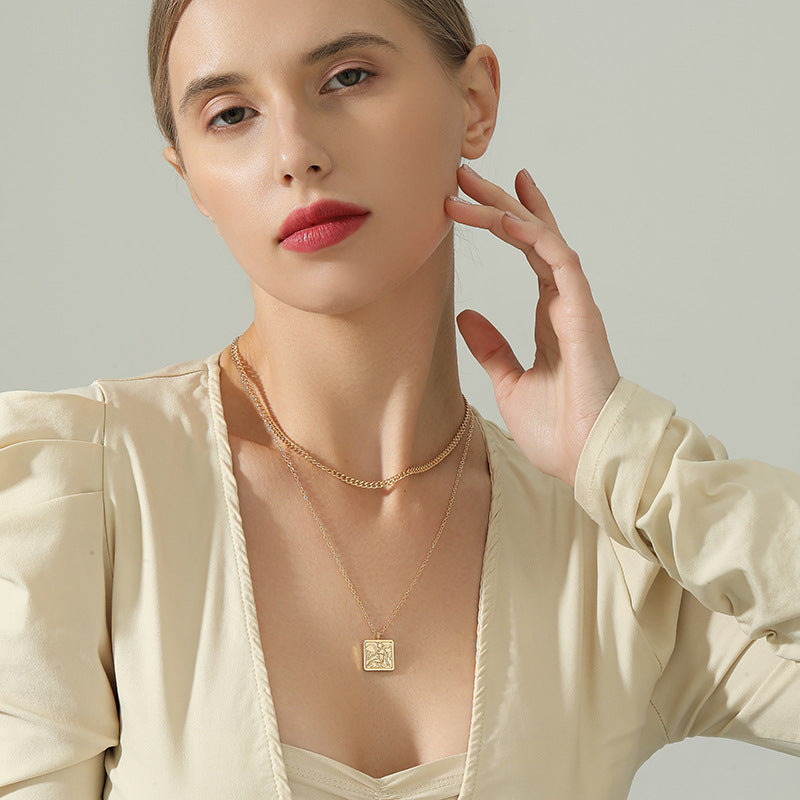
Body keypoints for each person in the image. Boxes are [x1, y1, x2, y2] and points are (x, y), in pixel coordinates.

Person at [0, 0, 798, 797]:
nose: (296, 154)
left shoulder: (616, 552)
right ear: (192, 180)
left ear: (474, 102)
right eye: (232, 114)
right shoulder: (84, 500)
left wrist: (624, 455)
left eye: (347, 77)